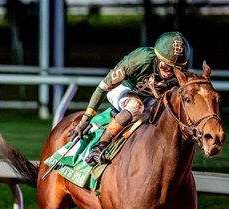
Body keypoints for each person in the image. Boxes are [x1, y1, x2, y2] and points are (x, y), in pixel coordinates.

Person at [71, 31, 191, 166]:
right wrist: (85, 120)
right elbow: (102, 88)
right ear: (157, 58)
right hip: (125, 88)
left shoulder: (182, 72)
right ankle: (99, 147)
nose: (169, 73)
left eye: (175, 69)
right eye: (165, 66)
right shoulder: (141, 59)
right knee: (136, 106)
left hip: (151, 96)